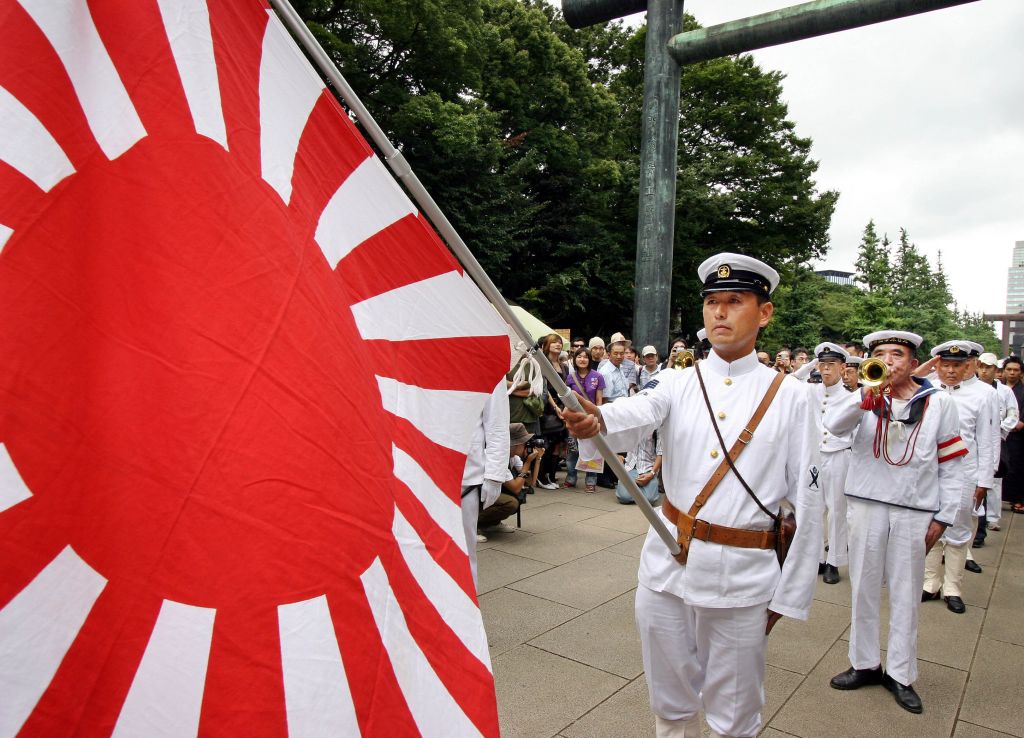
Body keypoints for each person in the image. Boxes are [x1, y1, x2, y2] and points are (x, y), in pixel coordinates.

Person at [564, 252, 821, 738]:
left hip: (742, 577)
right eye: (711, 303)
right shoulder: (677, 382)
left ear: (763, 313)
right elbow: (634, 414)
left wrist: (789, 595)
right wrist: (596, 420)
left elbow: (808, 500)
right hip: (668, 566)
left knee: (735, 713)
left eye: (734, 301)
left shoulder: (792, 396)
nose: (720, 313)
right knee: (669, 701)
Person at [824, 330, 964, 714]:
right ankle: (864, 664)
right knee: (863, 589)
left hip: (914, 511)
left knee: (905, 594)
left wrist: (945, 515)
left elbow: (952, 465)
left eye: (896, 355)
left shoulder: (938, 403)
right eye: (880, 354)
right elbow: (834, 426)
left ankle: (901, 674)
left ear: (912, 363)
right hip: (867, 505)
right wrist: (863, 398)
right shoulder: (864, 396)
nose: (887, 361)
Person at [920, 341, 996, 614]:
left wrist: (984, 481)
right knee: (929, 525)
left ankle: (952, 587)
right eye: (945, 365)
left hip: (965, 471)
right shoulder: (927, 388)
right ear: (937, 365)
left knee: (959, 530)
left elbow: (987, 440)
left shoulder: (984, 394)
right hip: (931, 470)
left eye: (957, 366)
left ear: (968, 366)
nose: (950, 371)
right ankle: (930, 582)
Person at [807, 342, 854, 585]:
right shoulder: (811, 391)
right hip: (816, 456)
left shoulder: (850, 396)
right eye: (822, 365)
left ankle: (834, 560)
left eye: (831, 365)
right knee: (814, 508)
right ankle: (817, 556)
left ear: (843, 367)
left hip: (838, 455)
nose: (826, 370)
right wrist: (809, 365)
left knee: (837, 510)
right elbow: (788, 380)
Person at [461, 380, 511, 585]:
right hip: (417, 471)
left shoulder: (484, 355)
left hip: (466, 475)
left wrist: (494, 475)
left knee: (462, 551)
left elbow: (497, 424)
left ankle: (463, 612)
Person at [976, 352, 1018, 531]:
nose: (985, 371)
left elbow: (1012, 414)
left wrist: (1001, 429)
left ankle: (992, 517)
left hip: (998, 437)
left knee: (994, 479)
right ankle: (977, 514)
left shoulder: (1005, 391)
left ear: (996, 370)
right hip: (975, 438)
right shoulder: (971, 388)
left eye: (989, 368)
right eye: (982, 367)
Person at [478, 423, 543, 534]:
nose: (527, 446)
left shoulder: (514, 457)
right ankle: (472, 525)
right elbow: (516, 488)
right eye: (524, 443)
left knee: (516, 498)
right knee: (510, 502)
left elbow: (531, 482)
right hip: (475, 494)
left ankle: (492, 523)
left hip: (487, 493)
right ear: (516, 444)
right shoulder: (498, 458)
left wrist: (537, 459)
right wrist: (527, 463)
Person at [564, 347, 605, 492]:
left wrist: (599, 416)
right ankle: (570, 478)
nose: (582, 359)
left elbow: (599, 399)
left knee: (592, 450)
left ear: (589, 359)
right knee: (573, 450)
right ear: (575, 359)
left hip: (591, 418)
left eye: (585, 357)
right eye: (579, 356)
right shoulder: (570, 377)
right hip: (575, 418)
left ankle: (591, 480)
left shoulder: (598, 376)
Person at [537, 334, 567, 490]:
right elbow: (544, 388)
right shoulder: (543, 363)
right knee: (546, 443)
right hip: (548, 407)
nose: (558, 344)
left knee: (558, 443)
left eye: (559, 342)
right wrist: (555, 406)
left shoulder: (563, 365)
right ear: (547, 345)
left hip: (562, 406)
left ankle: (551, 475)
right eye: (554, 342)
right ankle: (541, 477)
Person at [1001, 356, 1024, 514]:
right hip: (999, 433)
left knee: (1018, 466)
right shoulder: (997, 389)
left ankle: (1018, 498)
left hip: (1018, 435)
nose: (1012, 372)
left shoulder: (1022, 390)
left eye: (1015, 370)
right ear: (1003, 371)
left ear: (1021, 373)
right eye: (1009, 369)